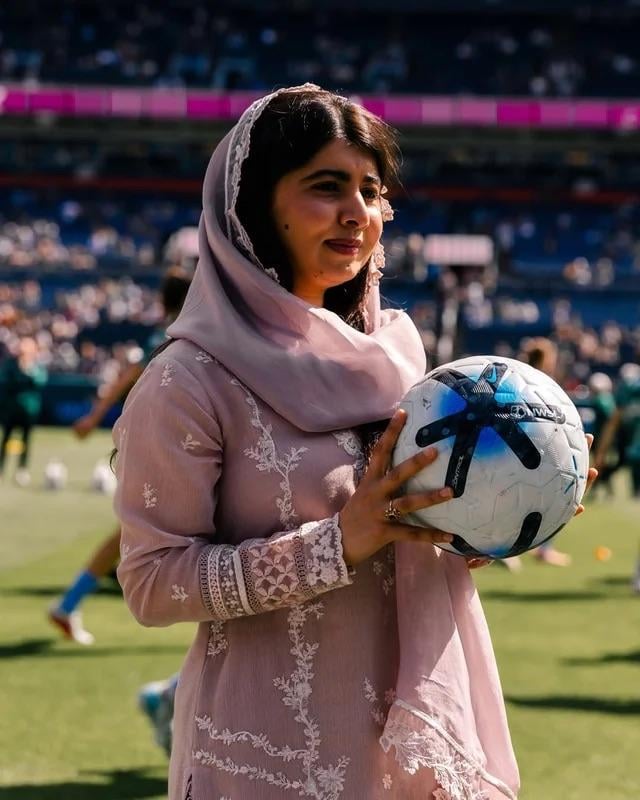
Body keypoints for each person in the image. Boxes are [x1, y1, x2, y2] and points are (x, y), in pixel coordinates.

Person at [114, 85, 547, 799]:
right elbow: (153, 583)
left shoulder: (406, 359)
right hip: (270, 755)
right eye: (326, 186)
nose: (359, 212)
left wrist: (506, 508)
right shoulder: (188, 381)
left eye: (371, 191)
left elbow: (407, 538)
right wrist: (336, 544)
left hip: (408, 753)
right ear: (257, 205)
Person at [47, 268, 191, 645]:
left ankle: (70, 602)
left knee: (131, 530)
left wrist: (94, 417)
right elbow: (128, 376)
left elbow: (127, 378)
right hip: (167, 444)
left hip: (161, 441)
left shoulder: (171, 331)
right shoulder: (183, 331)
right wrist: (94, 416)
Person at [0, 336, 47, 486]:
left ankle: (22, 469)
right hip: (11, 409)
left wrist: (28, 370)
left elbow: (40, 381)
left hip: (29, 411)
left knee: (26, 440)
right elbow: (4, 381)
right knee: (5, 439)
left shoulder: (35, 366)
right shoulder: (10, 365)